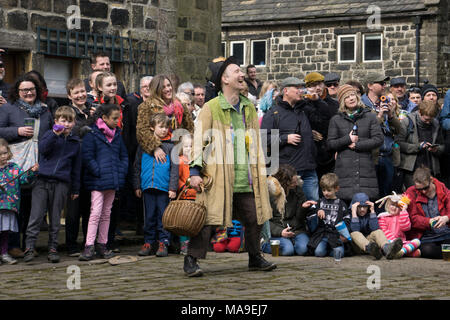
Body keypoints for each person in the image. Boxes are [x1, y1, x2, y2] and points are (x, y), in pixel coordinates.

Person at [185, 56, 276, 277]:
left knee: (255, 217)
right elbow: (199, 141)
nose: (241, 73)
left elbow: (256, 142)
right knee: (207, 220)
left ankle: (254, 258)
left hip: (246, 177)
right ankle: (191, 260)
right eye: (236, 71)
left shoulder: (249, 108)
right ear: (225, 79)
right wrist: (195, 172)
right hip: (218, 176)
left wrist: (262, 170)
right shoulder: (211, 107)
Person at [0, 74, 53, 258]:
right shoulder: (8, 109)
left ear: (37, 91)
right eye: (24, 90)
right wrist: (17, 131)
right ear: (18, 92)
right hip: (15, 162)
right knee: (15, 204)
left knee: (34, 206)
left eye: (31, 89)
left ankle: (29, 244)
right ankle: (13, 244)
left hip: (38, 162)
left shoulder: (45, 111)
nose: (28, 93)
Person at [23, 106, 82, 263]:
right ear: (56, 121)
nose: (67, 124)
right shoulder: (49, 135)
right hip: (42, 181)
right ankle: (29, 247)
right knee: (36, 216)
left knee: (55, 218)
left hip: (61, 183)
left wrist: (75, 188)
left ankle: (53, 247)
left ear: (74, 123)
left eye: (70, 121)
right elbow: (42, 149)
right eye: (63, 120)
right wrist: (55, 135)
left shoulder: (75, 143)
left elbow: (76, 168)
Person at [79, 103, 128, 261]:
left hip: (112, 180)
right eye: (114, 118)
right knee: (95, 213)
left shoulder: (117, 135)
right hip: (98, 181)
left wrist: (120, 173)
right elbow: (87, 156)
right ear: (104, 118)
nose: (117, 121)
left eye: (118, 118)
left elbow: (123, 157)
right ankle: (89, 245)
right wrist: (98, 172)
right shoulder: (92, 134)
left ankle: (102, 243)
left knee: (107, 213)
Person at [261, 76, 318, 200]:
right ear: (285, 91)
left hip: (309, 168)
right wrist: (285, 138)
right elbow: (263, 139)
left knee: (313, 208)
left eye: (302, 88)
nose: (301, 90)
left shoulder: (305, 109)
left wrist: (316, 101)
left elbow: (325, 118)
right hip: (289, 173)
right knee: (289, 210)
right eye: (297, 88)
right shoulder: (273, 113)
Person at [327, 85, 383, 203]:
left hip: (365, 168)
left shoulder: (370, 116)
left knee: (365, 205)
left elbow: (378, 139)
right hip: (344, 170)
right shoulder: (336, 120)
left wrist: (357, 145)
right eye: (347, 97)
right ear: (342, 101)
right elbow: (331, 143)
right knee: (345, 207)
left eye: (352, 95)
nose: (351, 98)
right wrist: (348, 139)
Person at [134, 113, 178, 257]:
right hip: (147, 187)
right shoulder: (144, 146)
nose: (164, 130)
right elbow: (137, 166)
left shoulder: (171, 147)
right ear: (152, 128)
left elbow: (174, 169)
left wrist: (172, 187)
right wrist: (137, 185)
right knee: (149, 216)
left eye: (166, 127)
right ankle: (148, 242)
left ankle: (163, 242)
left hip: (164, 188)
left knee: (163, 217)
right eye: (161, 127)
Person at [64, 78, 96, 256]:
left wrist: (94, 116)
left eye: (82, 91)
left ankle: (87, 242)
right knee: (74, 208)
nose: (81, 95)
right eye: (76, 92)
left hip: (91, 164)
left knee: (89, 207)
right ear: (70, 96)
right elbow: (72, 133)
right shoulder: (68, 113)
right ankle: (71, 244)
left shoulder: (92, 111)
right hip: (74, 165)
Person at [261, 164, 316, 256]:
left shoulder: (297, 191)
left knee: (303, 249)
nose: (295, 184)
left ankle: (291, 243)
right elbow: (265, 220)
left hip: (296, 230)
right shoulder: (270, 193)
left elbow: (299, 218)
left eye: (295, 181)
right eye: (292, 182)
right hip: (277, 231)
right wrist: (280, 232)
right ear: (284, 182)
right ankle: (264, 245)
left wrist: (303, 208)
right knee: (287, 250)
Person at [361, 73, 402, 198]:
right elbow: (365, 130)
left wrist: (390, 115)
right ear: (370, 86)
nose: (385, 86)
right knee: (372, 195)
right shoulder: (361, 105)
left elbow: (398, 130)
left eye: (385, 83)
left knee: (387, 195)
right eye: (381, 83)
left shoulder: (385, 102)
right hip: (371, 156)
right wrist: (379, 116)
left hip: (388, 155)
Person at [0, 138, 39, 264]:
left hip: (10, 206)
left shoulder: (14, 167)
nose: (3, 156)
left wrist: (32, 172)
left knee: (5, 231)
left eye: (5, 153)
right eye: (0, 154)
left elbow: (23, 179)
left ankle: (4, 253)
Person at [136, 74, 194, 159]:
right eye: (163, 87)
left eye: (169, 85)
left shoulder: (180, 105)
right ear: (157, 89)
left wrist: (185, 147)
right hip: (157, 153)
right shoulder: (147, 106)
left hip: (177, 152)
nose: (168, 89)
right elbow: (142, 131)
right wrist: (155, 148)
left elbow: (189, 128)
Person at [404, 167, 450, 259]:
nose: (423, 191)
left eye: (426, 188)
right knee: (427, 250)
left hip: (445, 233)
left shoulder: (443, 190)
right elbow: (412, 218)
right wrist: (428, 221)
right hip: (426, 237)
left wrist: (446, 218)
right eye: (420, 189)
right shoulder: (411, 192)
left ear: (431, 180)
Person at [397, 101, 445, 188]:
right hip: (411, 170)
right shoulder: (407, 122)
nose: (428, 122)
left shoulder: (435, 124)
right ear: (419, 112)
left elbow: (443, 146)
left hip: (431, 168)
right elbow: (398, 144)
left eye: (430, 120)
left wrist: (436, 149)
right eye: (426, 119)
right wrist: (417, 147)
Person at [349, 192, 403, 259]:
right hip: (357, 245)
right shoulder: (350, 215)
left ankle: (386, 248)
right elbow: (355, 230)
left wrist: (372, 211)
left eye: (364, 206)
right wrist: (354, 213)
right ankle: (371, 249)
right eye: (359, 207)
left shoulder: (369, 214)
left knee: (377, 231)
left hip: (372, 245)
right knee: (354, 233)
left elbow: (375, 228)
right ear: (354, 207)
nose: (362, 209)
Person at [307, 173, 349, 258]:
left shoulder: (342, 204)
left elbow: (347, 219)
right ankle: (327, 248)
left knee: (339, 254)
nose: (326, 193)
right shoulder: (319, 202)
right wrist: (318, 211)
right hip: (322, 235)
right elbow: (310, 214)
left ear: (336, 189)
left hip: (336, 235)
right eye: (323, 190)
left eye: (329, 190)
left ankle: (332, 249)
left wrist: (345, 234)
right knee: (318, 253)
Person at [377, 193, 421, 258]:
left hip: (401, 243)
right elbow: (384, 231)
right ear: (388, 205)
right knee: (383, 245)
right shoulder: (382, 216)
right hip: (388, 241)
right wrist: (394, 242)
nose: (394, 208)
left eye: (397, 206)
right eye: (392, 205)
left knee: (417, 241)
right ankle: (407, 252)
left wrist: (403, 210)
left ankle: (401, 252)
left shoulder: (402, 215)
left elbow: (406, 228)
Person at [176, 134, 196, 255]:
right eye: (186, 146)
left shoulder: (196, 160)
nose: (189, 148)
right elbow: (177, 178)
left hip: (196, 196)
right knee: (184, 222)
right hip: (185, 196)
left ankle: (194, 245)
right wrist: (183, 187)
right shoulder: (180, 161)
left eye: (191, 146)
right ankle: (184, 245)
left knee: (194, 222)